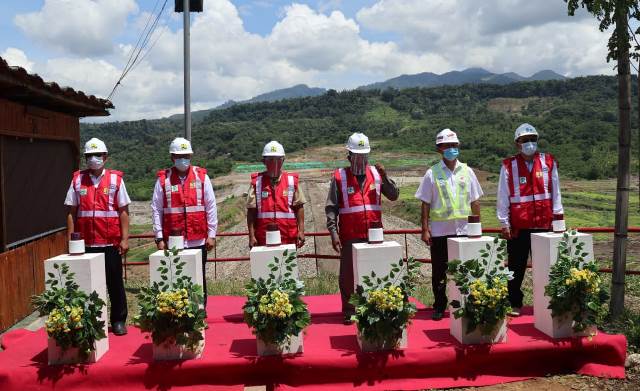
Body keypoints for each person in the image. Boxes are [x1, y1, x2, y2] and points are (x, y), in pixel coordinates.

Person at [325, 132, 399, 324]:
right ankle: (350, 311)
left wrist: (385, 176)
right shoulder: (339, 177)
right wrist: (334, 234)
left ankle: (375, 307)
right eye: (357, 156)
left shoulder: (376, 174)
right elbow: (331, 208)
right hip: (349, 234)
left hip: (374, 234)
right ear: (348, 156)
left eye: (364, 156)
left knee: (376, 270)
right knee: (349, 276)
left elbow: (393, 195)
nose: (360, 160)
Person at [415, 129, 483, 320]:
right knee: (439, 273)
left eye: (454, 145)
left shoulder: (467, 172)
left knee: (466, 270)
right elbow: (425, 203)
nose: (452, 149)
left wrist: (477, 228)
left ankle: (467, 304)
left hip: (464, 231)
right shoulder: (432, 173)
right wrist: (425, 229)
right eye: (448, 146)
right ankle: (439, 306)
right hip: (440, 232)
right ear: (440, 149)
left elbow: (475, 201)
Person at [64, 138, 130, 335]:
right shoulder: (77, 179)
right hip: (85, 244)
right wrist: (71, 241)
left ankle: (118, 320)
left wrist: (125, 239)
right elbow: (71, 212)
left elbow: (123, 211)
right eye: (90, 156)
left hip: (110, 242)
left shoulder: (116, 180)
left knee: (115, 283)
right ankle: (90, 320)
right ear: (85, 158)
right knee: (86, 283)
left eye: (98, 155)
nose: (94, 159)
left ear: (105, 157)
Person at [497, 123, 563, 316]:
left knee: (547, 267)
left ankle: (548, 304)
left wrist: (559, 220)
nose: (530, 143)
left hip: (544, 225)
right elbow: (503, 195)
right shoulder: (509, 165)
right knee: (516, 268)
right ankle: (514, 303)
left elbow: (556, 193)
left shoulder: (548, 162)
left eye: (533, 139)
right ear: (517, 143)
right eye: (525, 140)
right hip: (520, 226)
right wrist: (504, 223)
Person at [151, 137, 218, 307]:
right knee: (174, 277)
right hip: (173, 242)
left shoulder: (202, 177)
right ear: (172, 157)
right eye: (179, 156)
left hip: (198, 239)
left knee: (198, 277)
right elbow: (156, 209)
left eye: (186, 155)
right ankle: (177, 314)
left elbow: (210, 207)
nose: (183, 159)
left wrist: (212, 235)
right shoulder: (163, 180)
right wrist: (159, 238)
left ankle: (199, 313)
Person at [246, 141, 306, 248]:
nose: (275, 163)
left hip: (288, 238)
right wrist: (251, 236)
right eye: (271, 160)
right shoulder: (257, 182)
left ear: (283, 161)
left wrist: (301, 231)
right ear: (263, 161)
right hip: (264, 240)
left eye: (278, 160)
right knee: (266, 265)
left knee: (287, 264)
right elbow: (251, 211)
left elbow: (299, 207)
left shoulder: (291, 181)